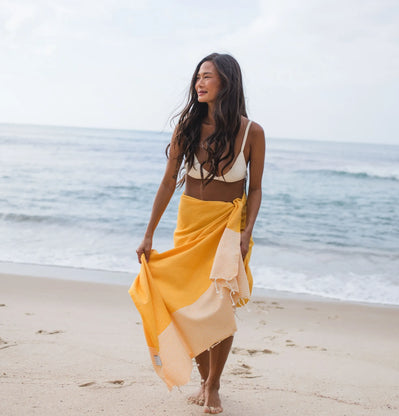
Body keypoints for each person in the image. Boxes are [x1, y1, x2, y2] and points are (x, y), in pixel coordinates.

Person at [129, 52, 265, 414]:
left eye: (208, 77)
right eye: (198, 77)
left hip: (228, 230)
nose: (199, 83)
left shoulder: (252, 132)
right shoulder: (186, 127)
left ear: (227, 83)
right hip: (189, 225)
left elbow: (254, 189)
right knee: (188, 306)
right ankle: (204, 378)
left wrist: (246, 232)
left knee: (218, 306)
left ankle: (214, 385)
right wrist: (148, 235)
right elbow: (168, 181)